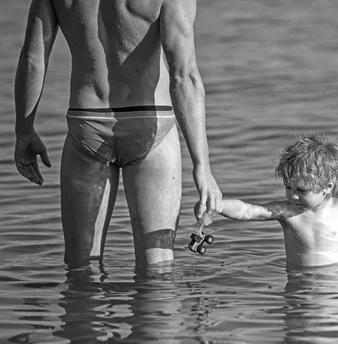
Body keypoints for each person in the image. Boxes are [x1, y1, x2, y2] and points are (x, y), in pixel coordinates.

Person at [13, 0, 222, 266]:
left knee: (81, 268)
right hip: (149, 123)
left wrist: (24, 131)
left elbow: (32, 60)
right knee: (157, 272)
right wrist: (202, 166)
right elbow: (184, 76)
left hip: (87, 123)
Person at [197, 134, 338, 267]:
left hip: (333, 282)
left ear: (328, 187)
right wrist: (216, 204)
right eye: (288, 187)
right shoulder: (287, 212)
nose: (292, 195)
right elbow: (248, 210)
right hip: (298, 282)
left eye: (302, 190)